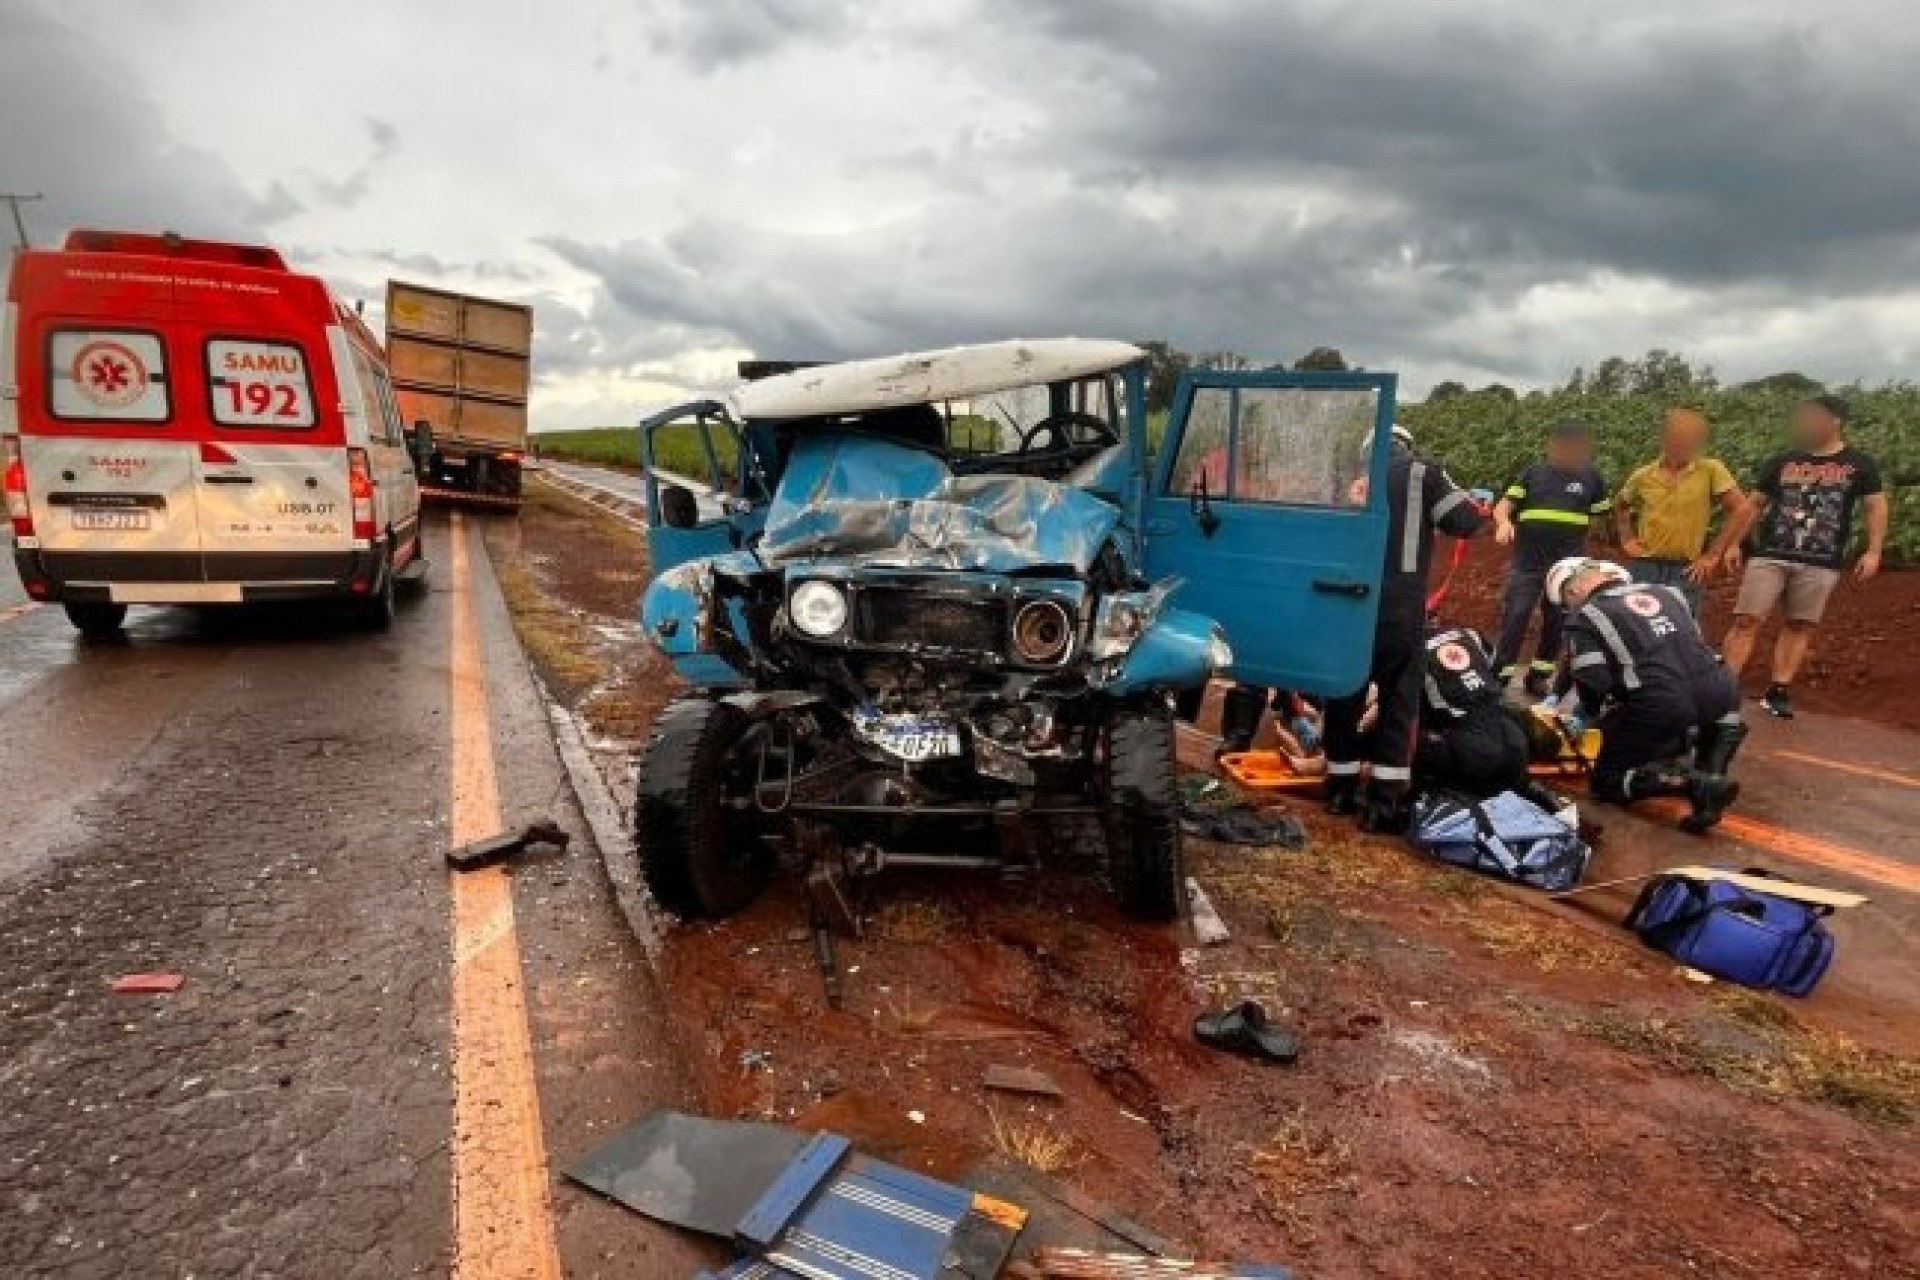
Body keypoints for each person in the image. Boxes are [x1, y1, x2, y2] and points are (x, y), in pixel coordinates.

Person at [1324, 424, 1486, 831]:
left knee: (1343, 695)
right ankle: (1382, 802)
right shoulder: (1423, 472)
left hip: (1344, 602)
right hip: (1399, 607)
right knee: (1398, 700)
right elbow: (1466, 520)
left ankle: (1339, 790)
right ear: (1407, 447)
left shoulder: (1340, 477)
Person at [1720, 396, 1888, 720]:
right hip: (1771, 554)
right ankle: (1724, 687)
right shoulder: (1783, 461)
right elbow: (1754, 504)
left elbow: (1874, 506)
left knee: (1800, 624)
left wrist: (1874, 550)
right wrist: (1734, 544)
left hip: (1821, 559)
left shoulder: (1859, 464)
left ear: (1835, 421)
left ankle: (1778, 690)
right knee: (1746, 619)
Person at [1549, 557, 1745, 833]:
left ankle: (1696, 784)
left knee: (1606, 780)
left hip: (1664, 704)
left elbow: (1592, 679)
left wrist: (1593, 719)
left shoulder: (1585, 616)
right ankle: (1713, 772)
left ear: (1573, 590)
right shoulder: (1669, 593)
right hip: (1723, 691)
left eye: (1567, 602)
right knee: (1710, 704)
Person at [1492, 419, 1612, 696]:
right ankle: (1500, 676)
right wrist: (1504, 523)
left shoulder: (1592, 479)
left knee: (1557, 622)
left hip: (1567, 568)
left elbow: (1600, 521)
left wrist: (1588, 559)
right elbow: (1502, 507)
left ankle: (1538, 676)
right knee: (1516, 616)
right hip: (1528, 563)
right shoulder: (1533, 474)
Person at [1613, 407, 1746, 616]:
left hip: (1687, 568)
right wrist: (1626, 538)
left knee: (1682, 624)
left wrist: (1713, 554)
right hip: (1646, 564)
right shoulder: (1643, 475)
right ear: (1665, 437)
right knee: (1639, 623)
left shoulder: (1710, 470)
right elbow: (1620, 505)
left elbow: (1741, 509)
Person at [1414, 625, 1532, 798]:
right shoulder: (1469, 633)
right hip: (1516, 743)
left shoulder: (1408, 649)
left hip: (1471, 757)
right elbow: (1498, 668)